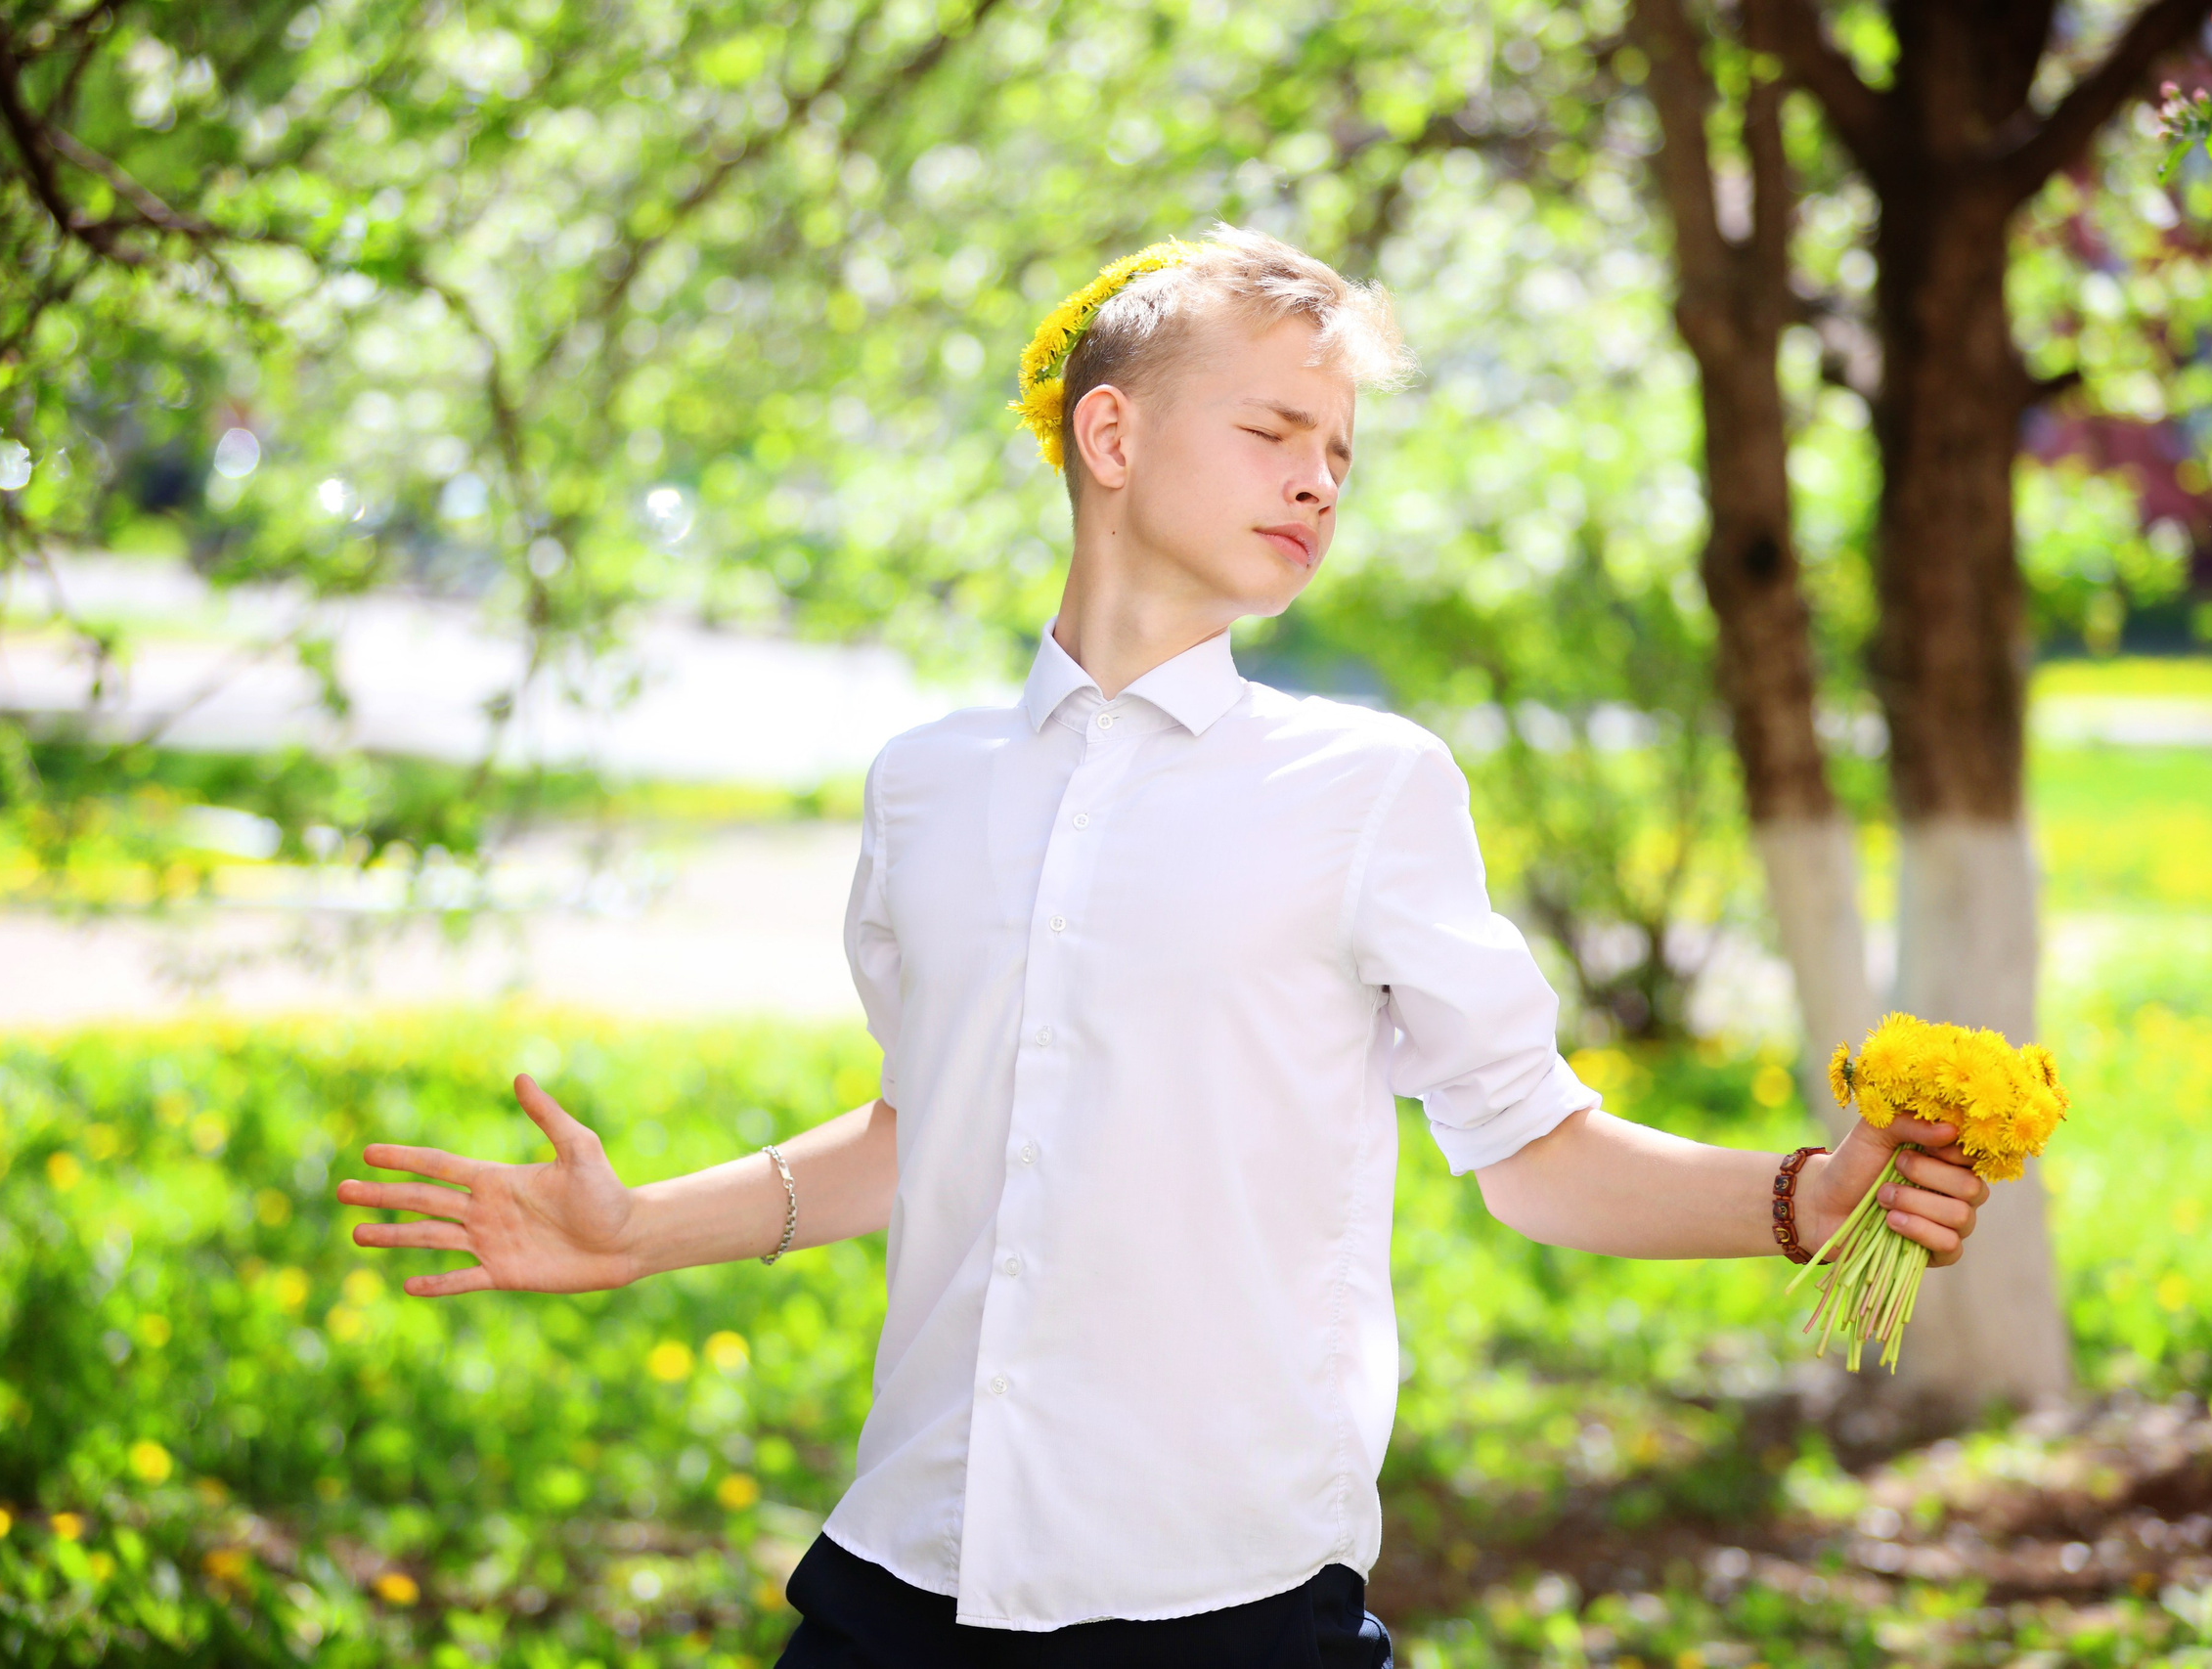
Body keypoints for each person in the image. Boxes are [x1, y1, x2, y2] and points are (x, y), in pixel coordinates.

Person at [338, 227, 1994, 1668]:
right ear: (1110, 433)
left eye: (1340, 452)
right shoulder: (925, 789)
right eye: (1274, 429)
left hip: (1226, 1604)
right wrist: (639, 1232)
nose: (1319, 479)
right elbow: (932, 1127)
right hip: (905, 1572)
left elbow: (1533, 1155)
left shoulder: (1369, 788)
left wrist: (1807, 1197)